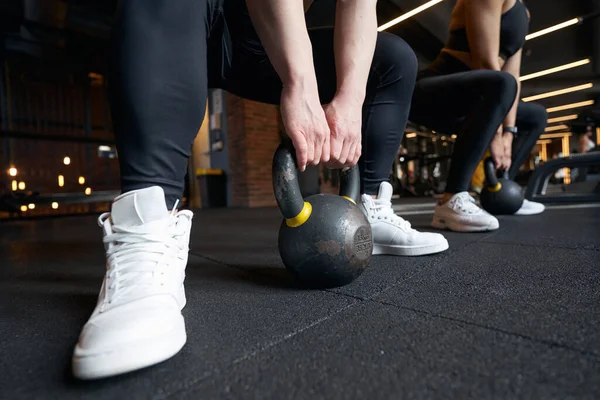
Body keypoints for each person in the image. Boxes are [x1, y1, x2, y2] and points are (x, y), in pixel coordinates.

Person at [71, 0, 449, 380]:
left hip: (259, 43)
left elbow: (359, 7)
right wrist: (300, 84)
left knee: (394, 58)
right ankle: (147, 229)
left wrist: (350, 102)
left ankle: (368, 208)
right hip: (188, 14)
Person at [409, 0, 548, 231]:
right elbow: (484, 62)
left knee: (536, 116)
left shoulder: (523, 12)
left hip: (483, 98)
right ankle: (451, 198)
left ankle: (501, 192)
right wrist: (496, 134)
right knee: (500, 84)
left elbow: (513, 74)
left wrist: (509, 134)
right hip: (433, 93)